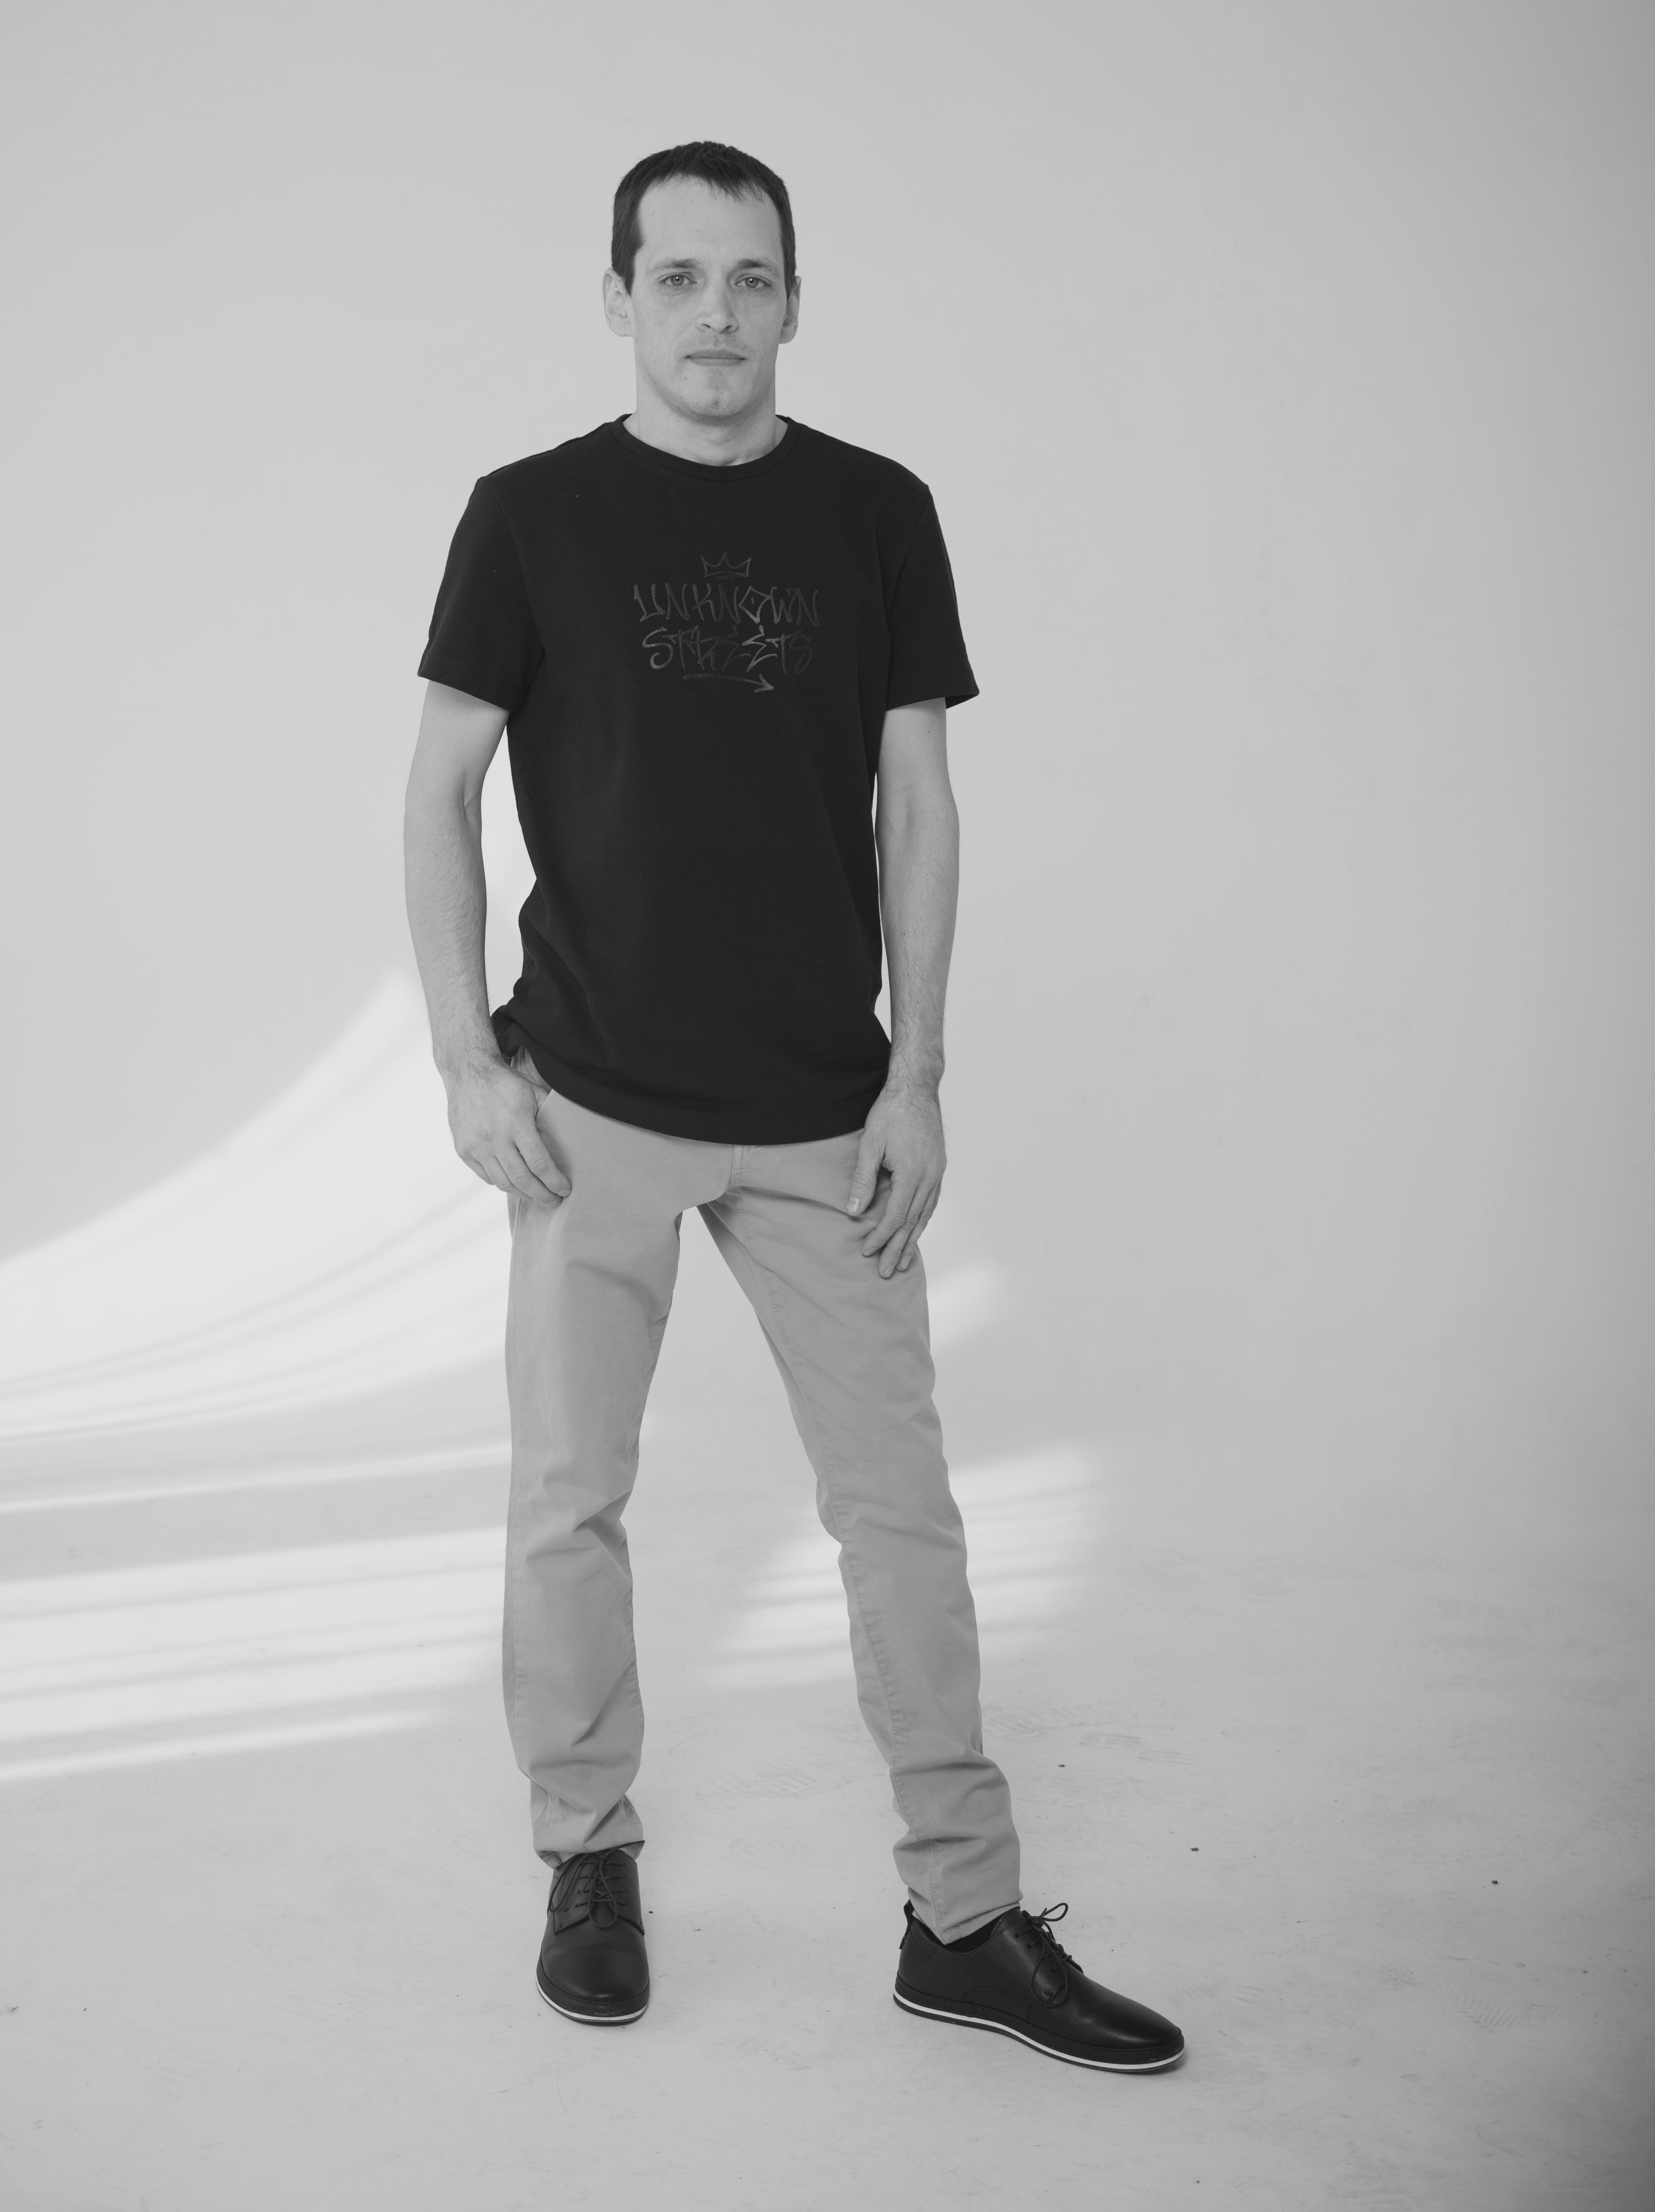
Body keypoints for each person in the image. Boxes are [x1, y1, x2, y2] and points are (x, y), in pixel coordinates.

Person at [403, 141, 1183, 2071]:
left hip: (828, 1109)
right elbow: (436, 791)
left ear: (794, 301)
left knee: (901, 1519)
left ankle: (964, 1917)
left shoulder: (876, 511)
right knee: (568, 1504)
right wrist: (463, 1057)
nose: (716, 314)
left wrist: (919, 1070)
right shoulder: (527, 515)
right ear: (618, 297)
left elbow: (918, 804)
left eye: (750, 278)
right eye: (676, 277)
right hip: (588, 1100)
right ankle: (587, 1854)